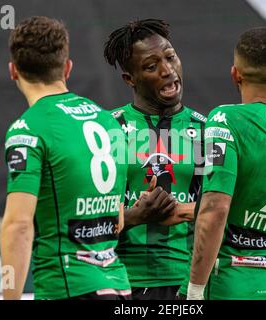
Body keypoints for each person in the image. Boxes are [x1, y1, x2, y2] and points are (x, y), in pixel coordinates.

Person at [0, 16, 131, 300]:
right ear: (67, 68)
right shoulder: (109, 121)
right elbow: (117, 219)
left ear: (13, 71)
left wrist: (10, 296)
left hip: (67, 287)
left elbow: (18, 226)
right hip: (119, 286)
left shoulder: (28, 129)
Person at [187, 27, 266, 300]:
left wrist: (195, 290)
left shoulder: (224, 119)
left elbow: (216, 209)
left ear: (235, 73)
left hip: (228, 282)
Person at [103, 19, 206, 300]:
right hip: (122, 282)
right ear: (130, 79)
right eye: (151, 66)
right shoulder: (107, 130)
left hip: (189, 283)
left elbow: (224, 211)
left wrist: (186, 210)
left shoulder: (205, 130)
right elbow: (87, 221)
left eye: (171, 57)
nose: (168, 70)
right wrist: (135, 217)